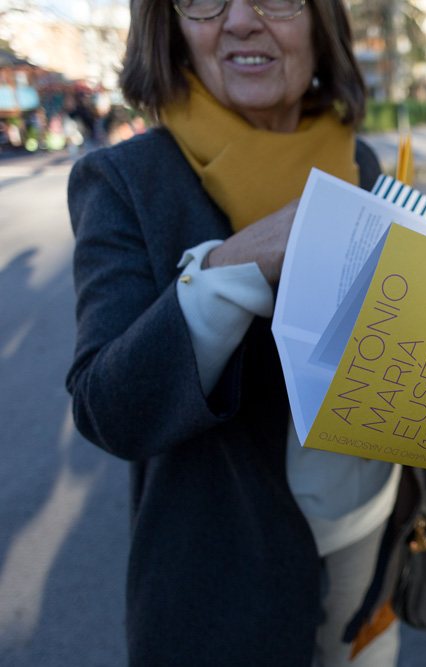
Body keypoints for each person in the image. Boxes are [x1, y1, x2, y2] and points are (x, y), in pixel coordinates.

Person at [66, 0, 407, 664]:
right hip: (225, 579)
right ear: (170, 29)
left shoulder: (358, 159)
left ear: (319, 23)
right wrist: (231, 266)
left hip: (371, 530)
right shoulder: (126, 179)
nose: (241, 21)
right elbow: (109, 409)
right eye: (203, 1)